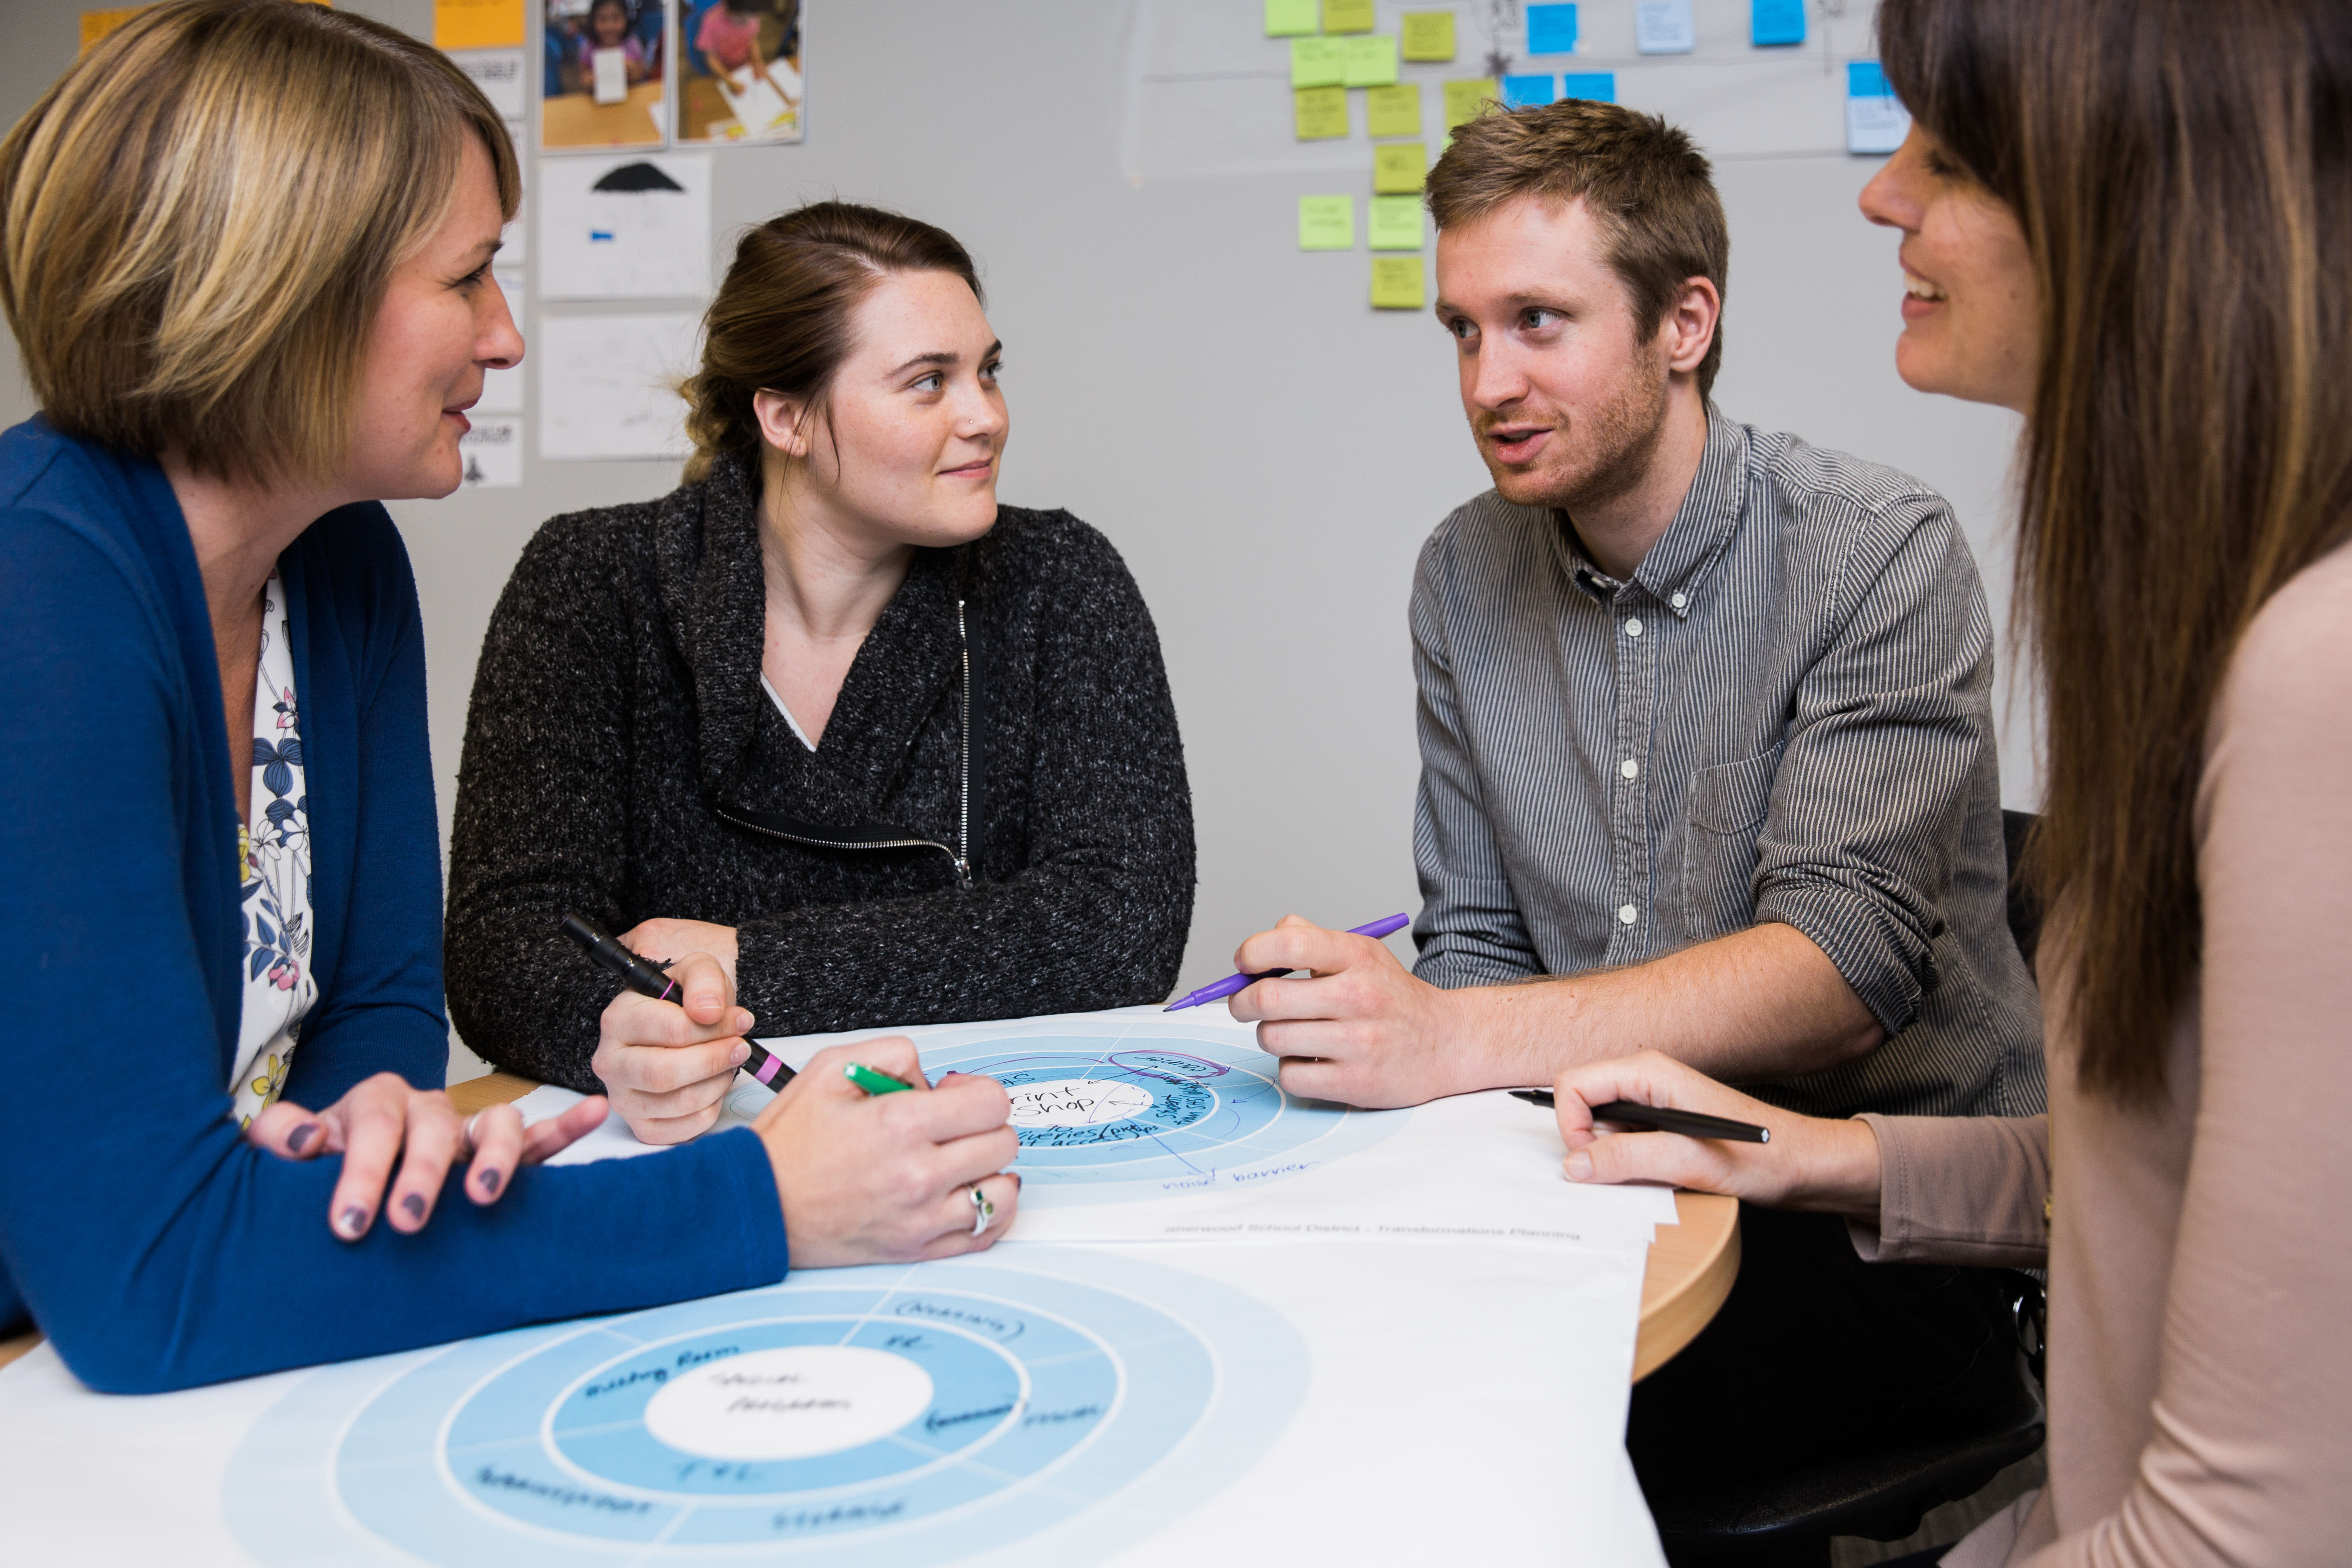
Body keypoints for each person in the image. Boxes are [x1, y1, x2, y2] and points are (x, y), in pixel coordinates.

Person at [0, 0, 1018, 1396]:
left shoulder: (342, 562)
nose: (506, 338)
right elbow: (148, 1282)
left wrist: (381, 1142)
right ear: (283, 290)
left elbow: (375, 1030)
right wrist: (761, 1205)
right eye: (469, 277)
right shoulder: (37, 596)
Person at [1552, 0, 2352, 1560]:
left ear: (2150, 203)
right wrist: (1778, 1149)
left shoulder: (2318, 673)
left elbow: (2245, 1536)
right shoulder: (2213, 620)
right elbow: (2146, 1185)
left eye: (1957, 155)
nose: (1882, 192)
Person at [1227, 100, 2044, 1492]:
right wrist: (1405, 1042)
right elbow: (1475, 940)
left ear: (1685, 325)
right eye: (1464, 330)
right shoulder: (1462, 574)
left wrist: (1445, 1038)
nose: (1490, 380)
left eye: (1539, 321)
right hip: (1594, 1179)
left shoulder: (1876, 550)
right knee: (1319, 1376)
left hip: (1867, 1221)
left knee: (1493, 1466)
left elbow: (1837, 975)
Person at [443, 200, 1194, 1145]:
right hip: (690, 1147)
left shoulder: (1058, 580)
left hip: (983, 1134)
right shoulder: (595, 581)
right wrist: (619, 1037)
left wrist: (746, 963)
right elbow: (506, 948)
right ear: (786, 416)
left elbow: (1119, 928)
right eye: (929, 383)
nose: (987, 417)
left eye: (988, 371)